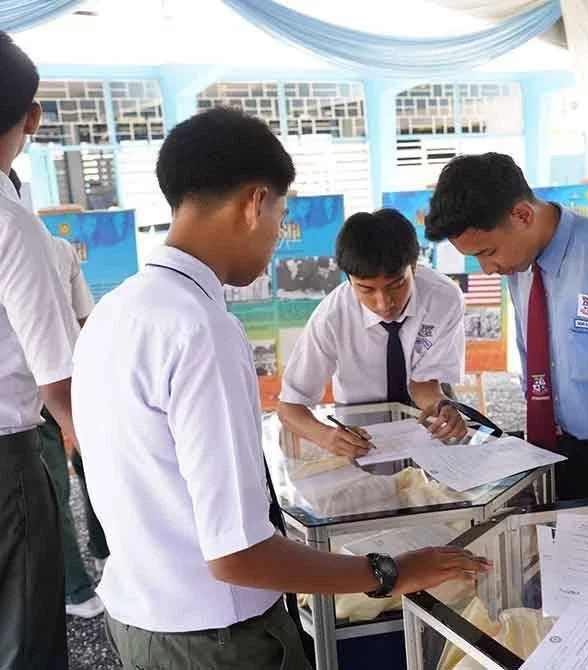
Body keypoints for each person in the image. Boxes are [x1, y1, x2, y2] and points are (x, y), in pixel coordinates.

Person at [71, 108, 490, 670]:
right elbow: (238, 552)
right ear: (254, 203)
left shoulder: (116, 310)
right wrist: (392, 572)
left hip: (144, 619)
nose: (276, 239)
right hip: (219, 637)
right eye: (280, 215)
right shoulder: (202, 330)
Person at [425, 153, 588, 500]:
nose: (487, 268)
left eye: (488, 252)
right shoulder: (520, 266)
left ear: (522, 215)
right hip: (551, 448)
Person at [0, 31, 79, 670]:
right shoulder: (12, 223)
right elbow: (61, 385)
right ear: (33, 116)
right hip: (6, 463)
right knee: (26, 636)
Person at [278, 208, 468, 456]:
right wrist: (325, 436)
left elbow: (425, 384)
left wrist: (442, 408)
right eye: (366, 290)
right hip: (360, 430)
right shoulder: (332, 317)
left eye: (397, 285)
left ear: (414, 267)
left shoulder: (443, 298)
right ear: (348, 279)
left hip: (424, 423)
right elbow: (289, 406)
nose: (383, 303)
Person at [35, 235, 106, 618]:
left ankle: (78, 592)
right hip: (75, 376)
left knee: (52, 489)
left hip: (26, 390)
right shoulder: (59, 248)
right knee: (92, 468)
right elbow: (86, 320)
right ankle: (105, 554)